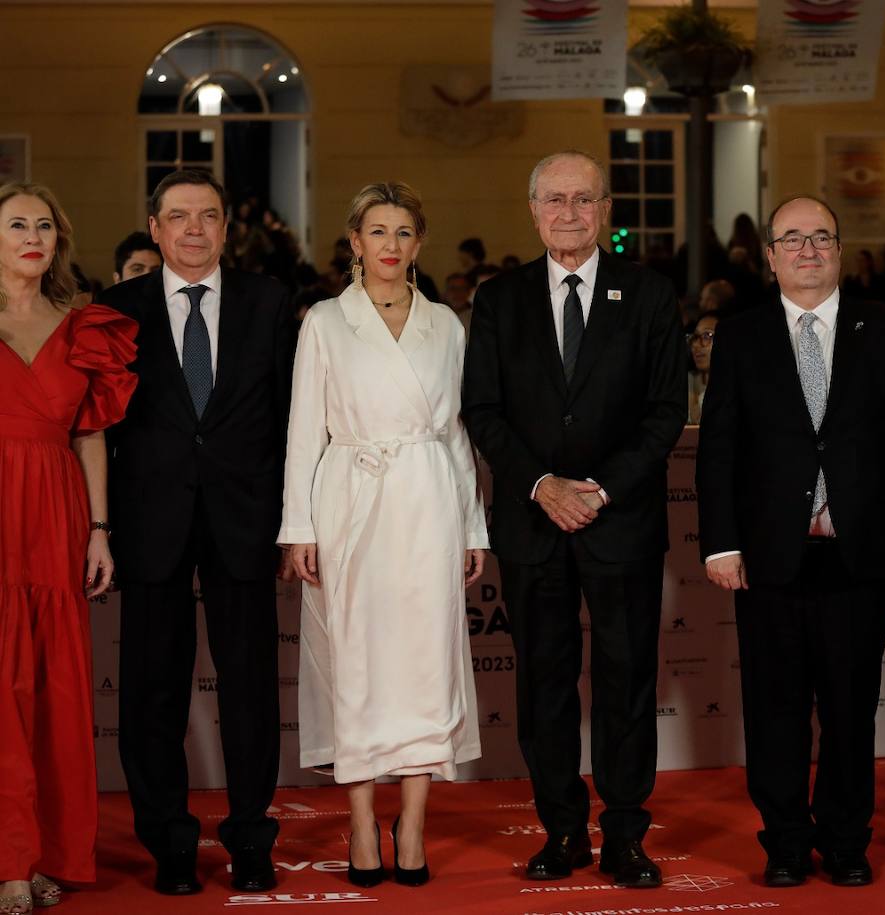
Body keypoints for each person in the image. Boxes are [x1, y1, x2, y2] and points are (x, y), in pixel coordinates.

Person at [696, 195, 885, 888]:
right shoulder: (740, 336)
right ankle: (783, 840)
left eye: (821, 237)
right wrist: (720, 543)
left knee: (850, 709)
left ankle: (844, 839)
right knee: (775, 710)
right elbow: (719, 450)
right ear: (769, 256)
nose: (808, 250)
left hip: (860, 554)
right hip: (769, 556)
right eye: (792, 239)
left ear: (839, 250)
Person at [462, 150, 687, 888]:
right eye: (554, 199)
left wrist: (596, 488)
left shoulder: (651, 295)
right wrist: (539, 485)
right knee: (545, 683)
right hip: (533, 523)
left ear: (605, 209)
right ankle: (562, 829)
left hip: (617, 520)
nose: (568, 212)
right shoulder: (499, 300)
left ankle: (624, 833)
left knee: (626, 679)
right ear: (532, 210)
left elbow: (664, 414)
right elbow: (482, 411)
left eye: (582, 199)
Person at [279, 182, 489, 889]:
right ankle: (363, 817)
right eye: (378, 231)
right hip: (352, 501)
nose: (391, 245)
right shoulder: (324, 323)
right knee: (356, 660)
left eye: (403, 231)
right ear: (355, 241)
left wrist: (472, 522)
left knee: (426, 659)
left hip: (429, 500)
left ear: (418, 243)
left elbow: (455, 432)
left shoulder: (446, 325)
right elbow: (304, 429)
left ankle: (414, 822)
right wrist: (299, 526)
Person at [100, 170, 296, 896]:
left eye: (207, 216)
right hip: (150, 521)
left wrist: (294, 519)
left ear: (225, 227)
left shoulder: (269, 301)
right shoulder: (115, 309)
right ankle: (170, 843)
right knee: (151, 692)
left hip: (245, 522)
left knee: (250, 688)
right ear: (153, 227)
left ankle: (250, 837)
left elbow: (291, 421)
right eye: (177, 216)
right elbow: (101, 428)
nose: (192, 229)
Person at [0, 183, 136, 915]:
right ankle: (7, 857)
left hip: (56, 511)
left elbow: (91, 435)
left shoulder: (85, 326)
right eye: (16, 223)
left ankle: (47, 850)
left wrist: (100, 530)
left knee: (51, 688)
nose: (32, 235)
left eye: (43, 225)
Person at [685, 312, 717, 425]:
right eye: (694, 337)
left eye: (707, 336)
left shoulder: (733, 388)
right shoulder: (686, 382)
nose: (696, 345)